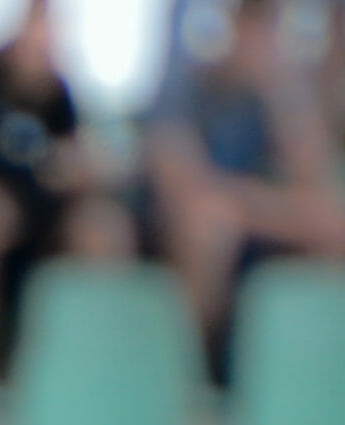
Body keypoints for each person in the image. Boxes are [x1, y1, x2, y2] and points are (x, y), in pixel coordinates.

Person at [0, 0, 122, 351]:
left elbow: (84, 165)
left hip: (46, 219)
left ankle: (83, 366)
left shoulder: (64, 100)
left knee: (102, 229)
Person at [146, 0, 345, 339]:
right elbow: (183, 184)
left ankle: (312, 361)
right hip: (183, 229)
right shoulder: (188, 81)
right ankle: (196, 369)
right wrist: (259, 207)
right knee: (210, 226)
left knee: (333, 227)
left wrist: (281, 92)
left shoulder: (283, 91)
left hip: (255, 219)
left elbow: (316, 185)